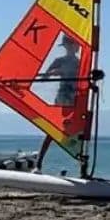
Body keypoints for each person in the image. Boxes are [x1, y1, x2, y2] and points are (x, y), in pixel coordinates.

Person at [35, 35, 82, 170]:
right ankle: (39, 162)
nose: (77, 47)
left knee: (78, 131)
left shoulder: (81, 63)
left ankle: (81, 165)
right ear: (68, 46)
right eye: (74, 45)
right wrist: (53, 72)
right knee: (52, 130)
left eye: (78, 45)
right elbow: (45, 77)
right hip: (63, 97)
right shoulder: (59, 61)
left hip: (76, 99)